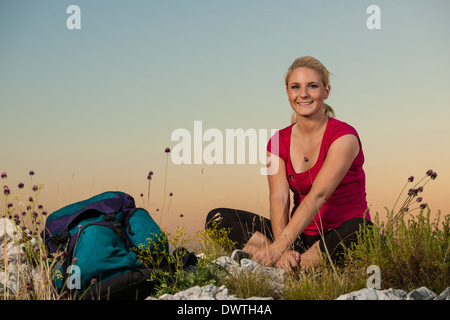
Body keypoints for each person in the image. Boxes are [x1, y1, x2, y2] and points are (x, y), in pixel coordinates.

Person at [205, 56, 371, 270]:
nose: (303, 94)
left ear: (326, 91)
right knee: (216, 219)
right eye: (296, 87)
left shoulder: (344, 137)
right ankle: (293, 263)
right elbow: (279, 197)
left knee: (362, 231)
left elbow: (319, 194)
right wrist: (284, 247)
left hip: (338, 235)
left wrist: (276, 248)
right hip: (298, 236)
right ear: (288, 92)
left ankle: (283, 264)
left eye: (312, 86)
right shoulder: (276, 142)